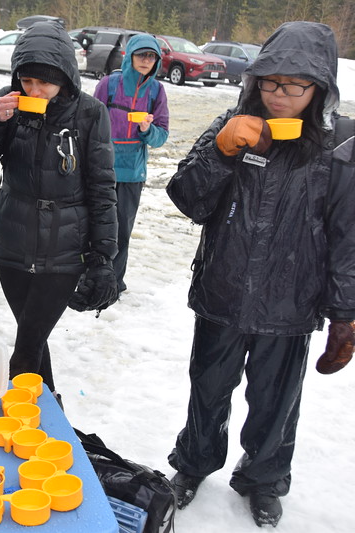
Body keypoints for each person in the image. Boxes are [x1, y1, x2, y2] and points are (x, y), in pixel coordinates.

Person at [164, 21, 355, 528]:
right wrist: (219, 154)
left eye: (295, 86)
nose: (279, 95)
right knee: (207, 389)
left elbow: (348, 236)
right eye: (270, 82)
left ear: (320, 87)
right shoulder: (232, 123)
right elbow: (187, 198)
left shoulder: (341, 144)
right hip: (223, 291)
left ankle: (263, 479)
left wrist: (345, 314)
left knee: (275, 402)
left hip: (291, 302)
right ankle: (192, 464)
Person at [0, 21, 118, 397]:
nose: (34, 90)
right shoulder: (9, 103)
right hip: (13, 245)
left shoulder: (90, 113)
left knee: (26, 349)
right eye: (27, 81)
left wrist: (103, 257)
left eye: (44, 83)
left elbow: (102, 189)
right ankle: (48, 412)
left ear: (64, 77)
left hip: (63, 252)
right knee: (32, 338)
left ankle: (20, 417)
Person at [93, 34, 169, 295]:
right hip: (101, 170)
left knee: (122, 233)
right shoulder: (108, 84)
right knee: (94, 226)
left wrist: (147, 130)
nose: (146, 60)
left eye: (151, 56)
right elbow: (89, 121)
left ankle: (113, 283)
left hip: (132, 173)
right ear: (130, 56)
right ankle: (88, 277)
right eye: (141, 55)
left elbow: (162, 136)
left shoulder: (157, 91)